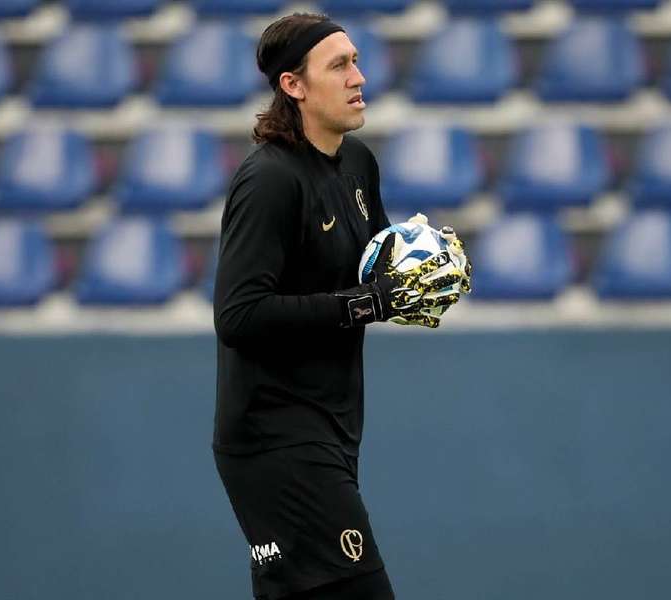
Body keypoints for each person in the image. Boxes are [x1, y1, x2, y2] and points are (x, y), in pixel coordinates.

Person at [212, 13, 470, 600]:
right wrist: (366, 303)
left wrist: (417, 271)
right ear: (293, 86)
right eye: (339, 65)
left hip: (334, 426)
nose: (359, 76)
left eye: (355, 60)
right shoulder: (269, 180)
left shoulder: (358, 163)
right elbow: (239, 316)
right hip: (273, 436)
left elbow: (373, 275)